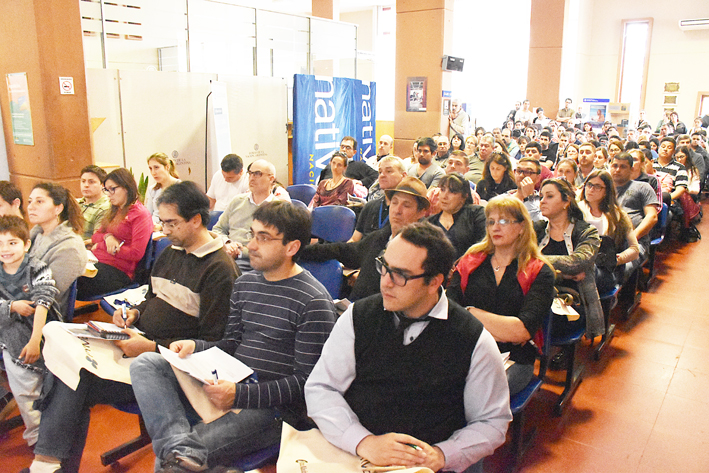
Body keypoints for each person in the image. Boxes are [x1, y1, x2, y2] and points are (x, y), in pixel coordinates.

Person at [24, 181, 239, 473]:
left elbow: (215, 343)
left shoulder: (219, 270)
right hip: (138, 345)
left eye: (171, 223)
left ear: (196, 220)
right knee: (68, 369)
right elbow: (152, 297)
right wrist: (134, 314)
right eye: (161, 221)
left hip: (170, 368)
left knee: (76, 381)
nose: (164, 230)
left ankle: (50, 464)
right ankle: (51, 464)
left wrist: (151, 347)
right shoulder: (172, 252)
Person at [130, 201, 336, 472]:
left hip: (272, 410)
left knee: (172, 463)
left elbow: (306, 383)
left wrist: (240, 395)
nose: (251, 245)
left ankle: (180, 452)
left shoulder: (313, 301)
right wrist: (197, 346)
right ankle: (180, 445)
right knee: (147, 364)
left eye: (263, 238)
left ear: (292, 247)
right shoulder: (246, 284)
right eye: (252, 234)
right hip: (229, 382)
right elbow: (230, 344)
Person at [305, 222, 511, 473]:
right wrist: (362, 441)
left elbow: (492, 422)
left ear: (435, 282)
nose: (386, 283)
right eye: (384, 267)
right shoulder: (358, 316)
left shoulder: (473, 339)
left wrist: (441, 455)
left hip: (424, 464)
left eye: (400, 275)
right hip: (356, 455)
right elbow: (321, 388)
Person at [447, 196, 555, 395]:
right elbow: (449, 311)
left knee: (477, 392)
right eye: (491, 221)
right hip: (466, 348)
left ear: (522, 226)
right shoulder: (471, 260)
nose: (495, 227)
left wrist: (468, 311)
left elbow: (521, 331)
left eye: (504, 221)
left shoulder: (539, 271)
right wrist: (502, 329)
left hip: (514, 358)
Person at [300, 177, 429, 301]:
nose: (397, 210)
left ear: (421, 212)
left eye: (406, 205)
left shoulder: (423, 251)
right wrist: (297, 251)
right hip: (356, 311)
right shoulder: (379, 238)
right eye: (394, 203)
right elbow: (341, 250)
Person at [0, 216, 59, 446]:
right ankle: (36, 432)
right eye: (1, 243)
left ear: (26, 244)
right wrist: (12, 307)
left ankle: (42, 436)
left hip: (39, 328)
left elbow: (44, 303)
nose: (5, 249)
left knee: (32, 380)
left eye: (12, 243)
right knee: (22, 381)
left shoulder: (37, 267)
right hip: (8, 326)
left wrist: (35, 340)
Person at [535, 178, 604, 339]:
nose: (542, 201)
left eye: (549, 196)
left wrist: (535, 260)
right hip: (537, 294)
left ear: (567, 201)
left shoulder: (587, 232)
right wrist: (562, 274)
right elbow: (518, 259)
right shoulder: (537, 229)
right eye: (541, 197)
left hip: (572, 301)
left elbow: (577, 262)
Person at [77, 168, 153, 299]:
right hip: (97, 261)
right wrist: (108, 237)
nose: (109, 194)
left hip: (119, 271)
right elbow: (96, 236)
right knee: (64, 273)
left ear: (126, 187)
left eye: (113, 189)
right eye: (107, 190)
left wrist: (101, 246)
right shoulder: (114, 209)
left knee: (74, 281)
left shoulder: (140, 214)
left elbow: (136, 253)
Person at [212, 159, 289, 271]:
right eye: (250, 173)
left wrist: (240, 252)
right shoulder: (237, 201)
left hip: (260, 262)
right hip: (229, 257)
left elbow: (277, 246)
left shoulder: (278, 208)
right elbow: (218, 229)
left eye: (257, 174)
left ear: (271, 178)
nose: (252, 178)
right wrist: (228, 243)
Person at [27, 183, 88, 316]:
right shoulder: (37, 234)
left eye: (39, 201)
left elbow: (45, 296)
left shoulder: (70, 248)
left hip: (41, 315)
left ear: (58, 208)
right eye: (30, 201)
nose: (31, 207)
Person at [578, 170, 640, 292]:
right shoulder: (574, 210)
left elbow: (634, 249)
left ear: (606, 191)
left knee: (588, 276)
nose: (591, 189)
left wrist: (616, 260)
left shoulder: (619, 216)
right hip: (579, 262)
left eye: (597, 187)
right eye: (589, 185)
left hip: (606, 269)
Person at [427, 174, 486, 258]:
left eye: (452, 192)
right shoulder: (430, 222)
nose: (444, 196)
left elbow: (484, 245)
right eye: (442, 190)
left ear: (464, 196)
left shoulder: (476, 214)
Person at [351, 156, 406, 242]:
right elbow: (354, 239)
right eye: (380, 172)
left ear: (403, 176)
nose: (382, 175)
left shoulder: (407, 210)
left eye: (389, 171)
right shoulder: (370, 206)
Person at [145, 152, 181, 227]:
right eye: (150, 168)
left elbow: (181, 216)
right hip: (153, 227)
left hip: (171, 228)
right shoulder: (152, 189)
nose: (153, 172)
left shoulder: (180, 186)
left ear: (167, 167)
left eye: (156, 167)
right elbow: (148, 214)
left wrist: (161, 226)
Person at [77, 165, 110, 241]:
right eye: (83, 181)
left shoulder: (105, 208)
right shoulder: (75, 203)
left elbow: (96, 240)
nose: (86, 185)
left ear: (102, 185)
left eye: (91, 182)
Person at [511, 157, 543, 221]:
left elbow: (539, 224)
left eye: (528, 172)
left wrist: (529, 198)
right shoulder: (504, 198)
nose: (521, 176)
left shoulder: (543, 201)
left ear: (538, 178)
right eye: (519, 171)